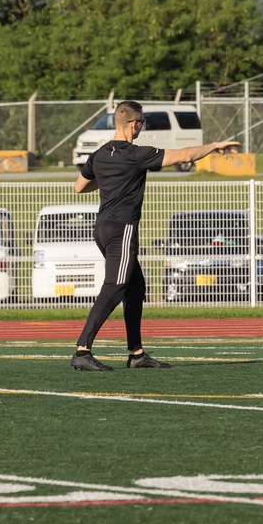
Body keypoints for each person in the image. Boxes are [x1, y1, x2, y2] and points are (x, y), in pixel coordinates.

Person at [70, 100, 240, 371]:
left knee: (135, 288)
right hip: (122, 229)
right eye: (141, 123)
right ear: (134, 124)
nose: (141, 128)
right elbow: (184, 155)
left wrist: (111, 179)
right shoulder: (136, 155)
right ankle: (82, 349)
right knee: (115, 287)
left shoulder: (99, 154)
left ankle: (136, 354)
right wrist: (213, 146)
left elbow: (79, 187)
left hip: (102, 228)